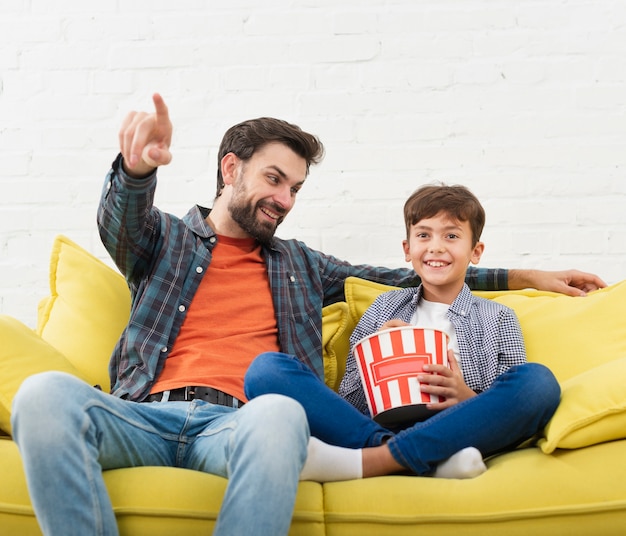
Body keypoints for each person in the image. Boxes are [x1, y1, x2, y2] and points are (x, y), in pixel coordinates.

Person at [11, 94, 605, 536]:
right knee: (40, 395)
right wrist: (137, 171)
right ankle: (398, 456)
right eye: (275, 180)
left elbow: (411, 273)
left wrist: (527, 277)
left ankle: (382, 458)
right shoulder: (162, 241)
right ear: (229, 169)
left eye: (294, 188)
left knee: (276, 408)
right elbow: (121, 223)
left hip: (243, 424)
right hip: (142, 414)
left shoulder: (299, 263)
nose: (285, 200)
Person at [244, 184, 570, 480]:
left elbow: (508, 406)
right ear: (407, 248)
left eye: (452, 236)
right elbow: (349, 401)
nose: (436, 247)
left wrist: (464, 396)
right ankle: (419, 459)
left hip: (458, 427)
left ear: (476, 252)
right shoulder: (384, 308)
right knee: (267, 370)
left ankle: (374, 461)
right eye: (424, 235)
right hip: (375, 426)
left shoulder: (498, 317)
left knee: (538, 382)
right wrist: (377, 353)